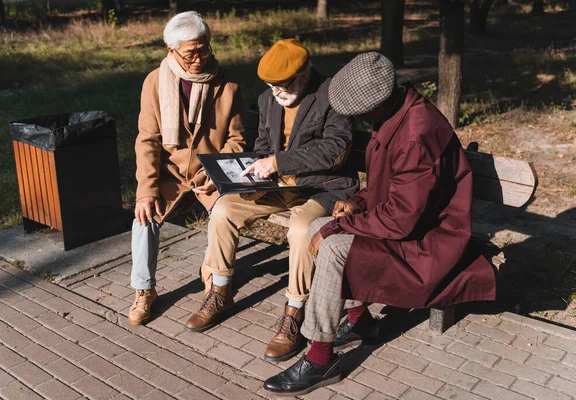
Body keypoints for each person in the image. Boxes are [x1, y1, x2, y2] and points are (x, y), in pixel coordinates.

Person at [263, 52, 497, 396]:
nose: (355, 121)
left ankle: (320, 358)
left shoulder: (416, 134)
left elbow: (402, 219)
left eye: (357, 115)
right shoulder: (395, 115)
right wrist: (356, 203)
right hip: (407, 224)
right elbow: (393, 187)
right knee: (316, 229)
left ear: (376, 103)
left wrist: (339, 227)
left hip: (427, 244)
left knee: (331, 245)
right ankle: (362, 323)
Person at [185, 39, 359, 363]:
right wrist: (234, 176)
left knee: (299, 229)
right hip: (277, 186)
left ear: (302, 78)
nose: (275, 93)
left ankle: (294, 311)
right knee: (223, 208)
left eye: (281, 86)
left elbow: (335, 150)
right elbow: (263, 146)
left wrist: (277, 163)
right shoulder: (269, 99)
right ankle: (220, 291)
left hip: (322, 188)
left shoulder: (333, 96)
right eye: (270, 86)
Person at [128, 11, 245, 326]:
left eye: (204, 49)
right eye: (191, 53)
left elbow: (236, 140)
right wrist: (146, 190)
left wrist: (216, 171)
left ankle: (213, 273)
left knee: (225, 212)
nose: (199, 58)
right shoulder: (155, 82)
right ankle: (144, 290)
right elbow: (148, 141)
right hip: (171, 174)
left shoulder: (227, 83)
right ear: (172, 51)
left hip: (211, 174)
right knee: (144, 216)